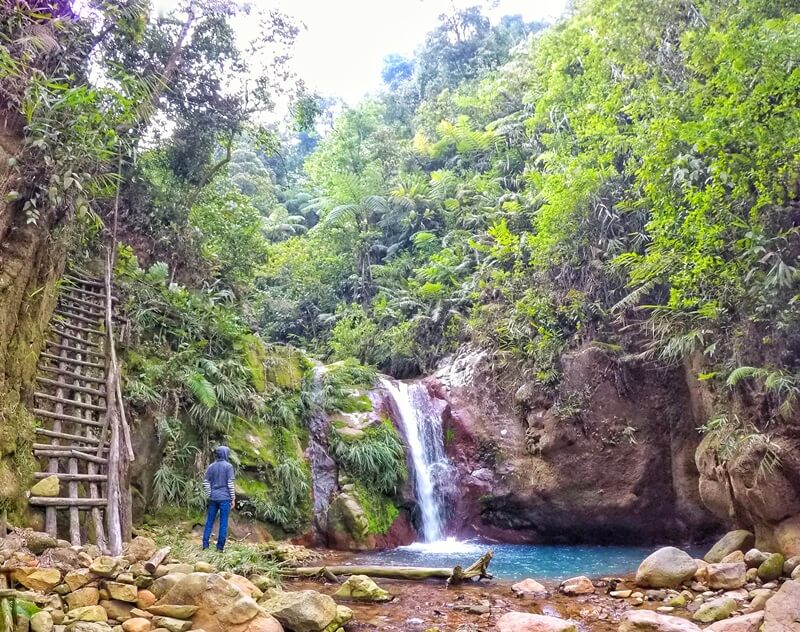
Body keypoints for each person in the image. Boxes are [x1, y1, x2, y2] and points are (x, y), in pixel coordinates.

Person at [202, 445, 236, 551]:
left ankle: (205, 545)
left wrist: (209, 494)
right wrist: (233, 498)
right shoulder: (228, 466)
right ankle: (220, 548)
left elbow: (206, 482)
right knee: (223, 522)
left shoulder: (211, 466)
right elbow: (230, 483)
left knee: (209, 521)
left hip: (213, 498)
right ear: (226, 454)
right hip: (225, 498)